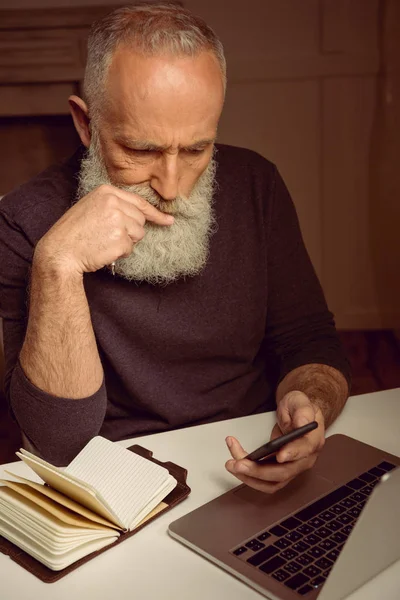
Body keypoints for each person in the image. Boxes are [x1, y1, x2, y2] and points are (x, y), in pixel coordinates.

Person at [0, 3, 350, 493]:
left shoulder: (256, 183)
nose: (172, 186)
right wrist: (58, 265)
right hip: (115, 483)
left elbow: (308, 338)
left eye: (196, 150)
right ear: (86, 124)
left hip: (247, 456)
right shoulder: (22, 220)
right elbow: (56, 442)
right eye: (140, 151)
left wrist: (308, 404)